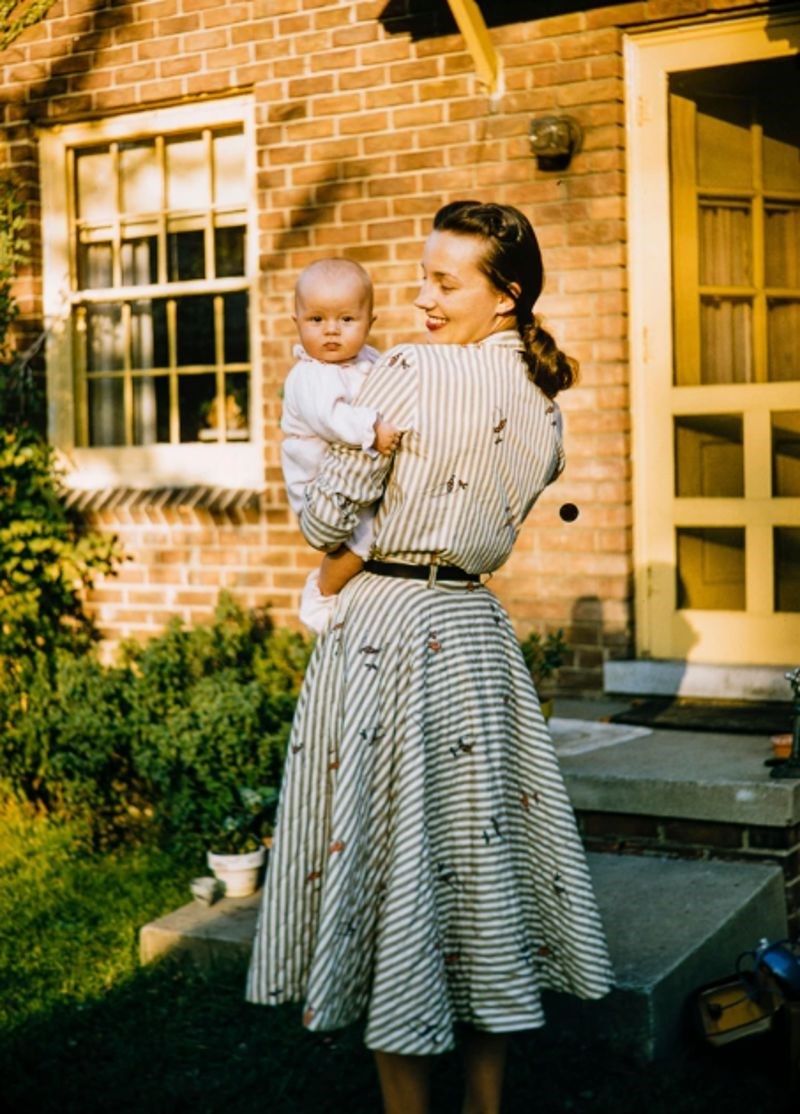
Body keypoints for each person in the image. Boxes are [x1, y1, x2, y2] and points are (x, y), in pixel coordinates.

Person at [247, 201, 614, 1114]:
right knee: (479, 866)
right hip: (476, 639)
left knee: (389, 865)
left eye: (444, 282)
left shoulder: (410, 372)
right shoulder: (542, 402)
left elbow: (326, 522)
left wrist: (337, 500)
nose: (420, 298)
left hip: (387, 632)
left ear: (506, 296)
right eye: (423, 277)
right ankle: (483, 1104)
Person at [281, 257, 400, 631]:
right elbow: (331, 418)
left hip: (350, 480)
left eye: (346, 320)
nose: (331, 331)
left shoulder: (367, 362)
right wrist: (373, 429)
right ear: (297, 322)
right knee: (366, 541)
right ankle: (322, 592)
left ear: (369, 323)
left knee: (384, 529)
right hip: (317, 487)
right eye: (317, 320)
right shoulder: (310, 375)